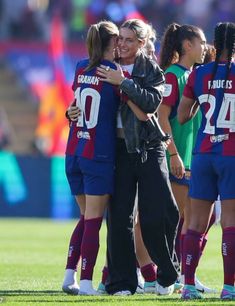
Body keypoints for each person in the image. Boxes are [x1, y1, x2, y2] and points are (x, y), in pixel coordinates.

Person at [97, 18, 179, 296]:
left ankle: (167, 274)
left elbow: (151, 104)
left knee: (157, 214)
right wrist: (70, 112)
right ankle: (122, 283)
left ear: (142, 44)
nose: (121, 43)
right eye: (120, 38)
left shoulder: (152, 70)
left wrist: (124, 83)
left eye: (129, 39)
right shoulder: (107, 67)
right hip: (117, 151)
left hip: (148, 148)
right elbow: (90, 98)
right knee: (119, 218)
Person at [62, 20, 120, 295]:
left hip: (74, 150)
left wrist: (68, 114)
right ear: (113, 43)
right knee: (94, 220)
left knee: (86, 217)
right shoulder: (114, 72)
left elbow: (75, 105)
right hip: (98, 153)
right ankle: (86, 282)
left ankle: (68, 275)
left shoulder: (80, 67)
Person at [178, 22, 235, 300]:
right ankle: (229, 288)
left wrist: (203, 104)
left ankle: (188, 286)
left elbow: (181, 116)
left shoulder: (199, 74)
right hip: (231, 155)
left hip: (202, 154)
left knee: (195, 223)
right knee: (231, 224)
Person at [158, 23, 216, 293]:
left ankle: (186, 273)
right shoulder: (173, 76)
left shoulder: (196, 76)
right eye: (201, 42)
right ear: (187, 46)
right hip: (180, 157)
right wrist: (173, 154)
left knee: (206, 218)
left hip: (196, 158)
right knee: (189, 217)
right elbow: (161, 117)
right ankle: (182, 275)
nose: (205, 47)